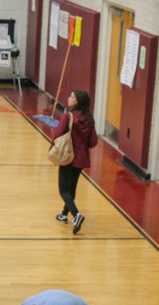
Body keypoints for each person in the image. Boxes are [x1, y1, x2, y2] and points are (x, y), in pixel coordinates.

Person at [52, 90, 98, 234]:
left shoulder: (68, 116)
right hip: (81, 158)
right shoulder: (89, 119)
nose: (69, 98)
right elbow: (93, 141)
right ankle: (64, 214)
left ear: (77, 101)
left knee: (63, 190)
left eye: (72, 97)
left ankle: (76, 215)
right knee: (71, 189)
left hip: (68, 157)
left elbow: (57, 135)